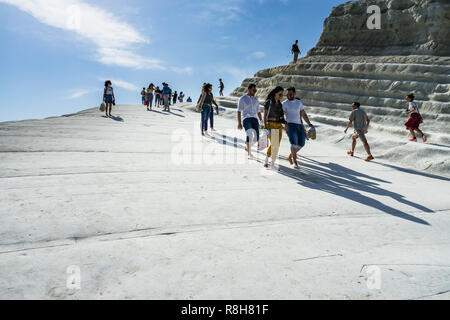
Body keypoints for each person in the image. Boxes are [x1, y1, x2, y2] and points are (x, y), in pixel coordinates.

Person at [282, 87, 314, 168]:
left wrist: (309, 123)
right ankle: (295, 162)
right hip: (290, 125)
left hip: (299, 125)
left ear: (294, 94)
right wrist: (284, 124)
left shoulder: (299, 102)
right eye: (287, 94)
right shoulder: (284, 103)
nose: (288, 95)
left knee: (301, 143)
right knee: (294, 143)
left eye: (290, 93)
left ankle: (289, 157)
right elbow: (281, 115)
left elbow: (303, 114)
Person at [238, 84, 263, 159]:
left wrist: (261, 121)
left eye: (256, 90)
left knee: (257, 137)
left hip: (255, 119)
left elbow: (258, 111)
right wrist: (239, 123)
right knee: (249, 134)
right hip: (246, 119)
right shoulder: (242, 99)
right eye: (254, 90)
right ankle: (249, 153)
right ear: (248, 90)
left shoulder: (256, 99)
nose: (255, 92)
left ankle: (247, 147)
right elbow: (239, 111)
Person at [263, 86, 286, 169]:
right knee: (274, 144)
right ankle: (267, 161)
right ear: (275, 93)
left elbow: (281, 117)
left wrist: (285, 123)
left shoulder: (280, 104)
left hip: (278, 126)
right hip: (270, 125)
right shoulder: (269, 102)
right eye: (280, 94)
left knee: (276, 145)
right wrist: (265, 126)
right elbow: (265, 116)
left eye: (282, 95)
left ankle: (271, 163)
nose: (281, 96)